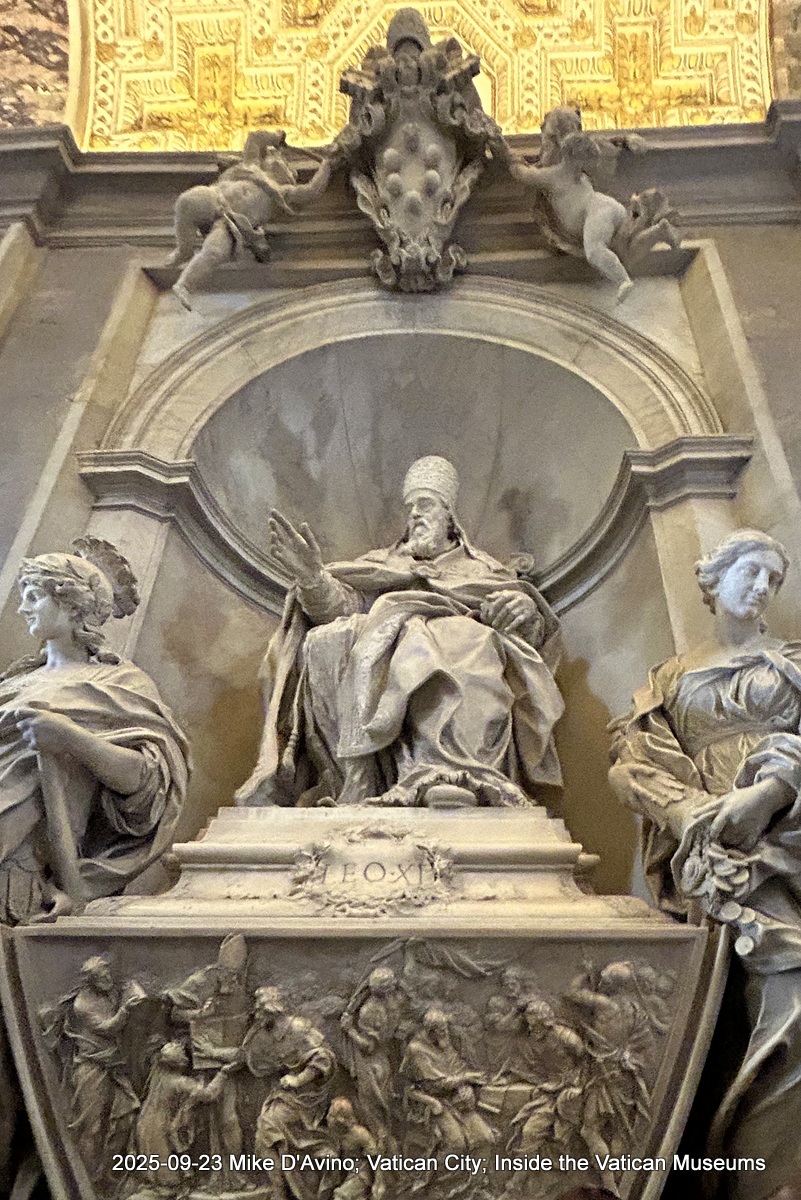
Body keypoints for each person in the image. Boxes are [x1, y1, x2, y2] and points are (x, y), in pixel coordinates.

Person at [609, 529, 801, 1200]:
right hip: (709, 859)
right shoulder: (668, 679)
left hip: (788, 840)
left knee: (791, 999)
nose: (762, 588)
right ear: (713, 581)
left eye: (773, 580)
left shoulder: (792, 663)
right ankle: (724, 1176)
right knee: (713, 1021)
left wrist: (770, 791)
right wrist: (691, 812)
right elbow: (632, 763)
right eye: (751, 572)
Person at [237, 455, 564, 809]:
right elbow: (340, 608)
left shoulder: (482, 570)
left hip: (463, 639)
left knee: (466, 639)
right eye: (410, 509)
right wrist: (312, 579)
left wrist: (522, 610)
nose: (415, 515)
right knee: (334, 638)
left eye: (425, 505)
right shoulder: (383, 564)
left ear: (450, 517)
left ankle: (453, 773)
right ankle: (365, 778)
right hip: (385, 639)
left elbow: (530, 635)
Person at [0, 539, 188, 923]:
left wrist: (70, 737)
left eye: (34, 596)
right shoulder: (14, 682)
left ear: (71, 605)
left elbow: (147, 784)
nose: (22, 608)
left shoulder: (117, 684)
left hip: (20, 863)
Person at [167, 130, 335, 309]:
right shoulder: (251, 166)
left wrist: (327, 165)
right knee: (188, 201)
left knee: (215, 252)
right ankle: (184, 250)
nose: (281, 164)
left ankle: (184, 285)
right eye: (279, 160)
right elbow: (255, 138)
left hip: (231, 224)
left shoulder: (282, 193)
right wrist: (277, 137)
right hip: (215, 199)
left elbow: (311, 191)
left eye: (288, 169)